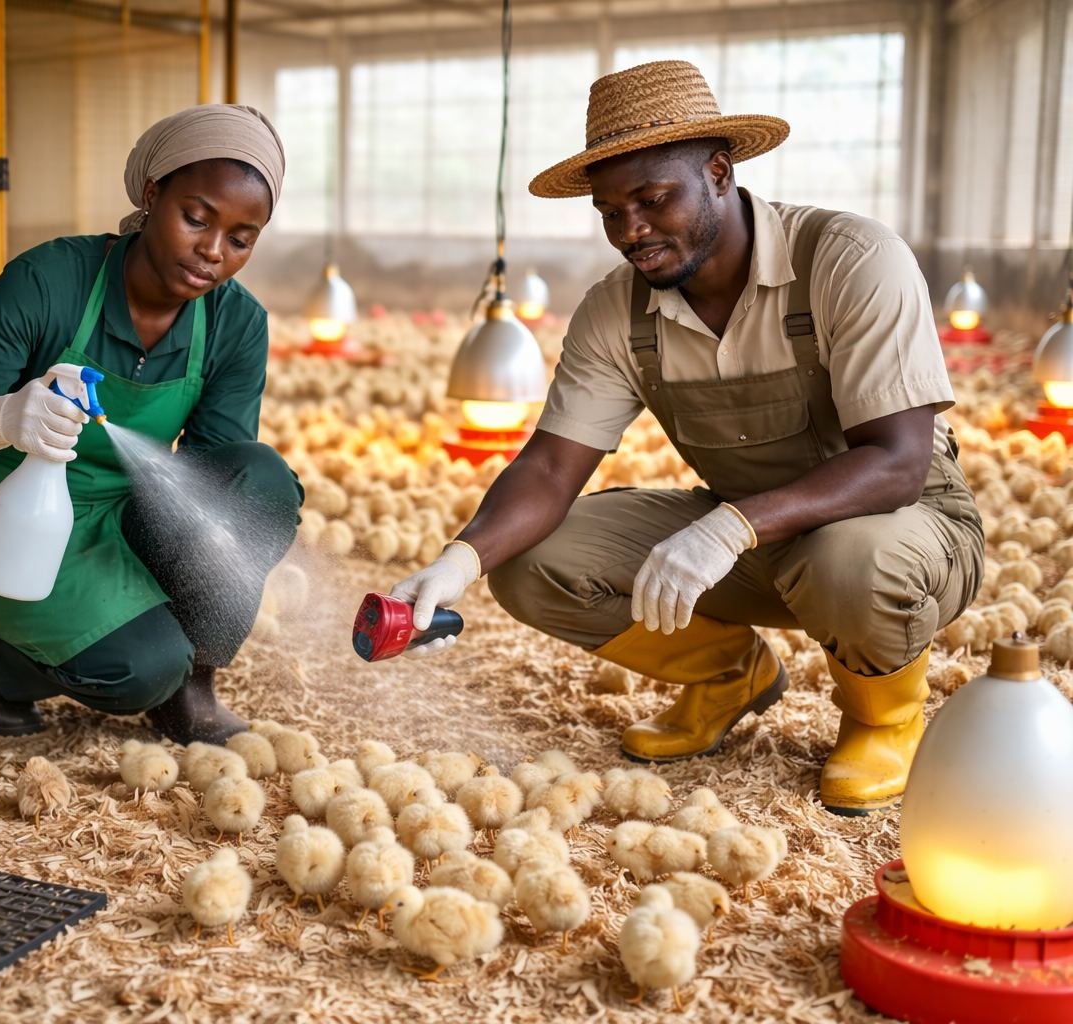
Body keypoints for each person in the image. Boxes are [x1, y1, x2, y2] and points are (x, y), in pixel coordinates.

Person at [392, 61, 983, 816]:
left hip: (899, 533)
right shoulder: (616, 312)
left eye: (652, 199)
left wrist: (729, 527)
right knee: (530, 561)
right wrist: (456, 562)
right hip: (745, 541)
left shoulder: (848, 260)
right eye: (610, 211)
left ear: (718, 172)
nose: (630, 231)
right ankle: (729, 675)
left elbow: (897, 466)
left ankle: (884, 717)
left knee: (848, 558)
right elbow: (547, 467)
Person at [0, 105, 301, 746]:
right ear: (152, 195)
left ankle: (192, 685)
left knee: (261, 482)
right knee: (139, 670)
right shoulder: (49, 281)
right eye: (195, 218)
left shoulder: (236, 323)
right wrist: (2, 419)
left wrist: (203, 599)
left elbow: (211, 487)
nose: (212, 251)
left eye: (240, 238)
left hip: (120, 514)